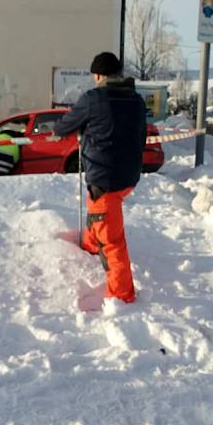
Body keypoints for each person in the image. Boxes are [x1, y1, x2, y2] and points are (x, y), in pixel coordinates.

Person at [53, 51, 147, 304]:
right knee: (100, 214)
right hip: (128, 176)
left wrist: (79, 126)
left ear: (98, 75)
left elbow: (63, 126)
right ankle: (90, 244)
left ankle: (121, 295)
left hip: (104, 178)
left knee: (113, 241)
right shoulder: (136, 100)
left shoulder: (94, 99)